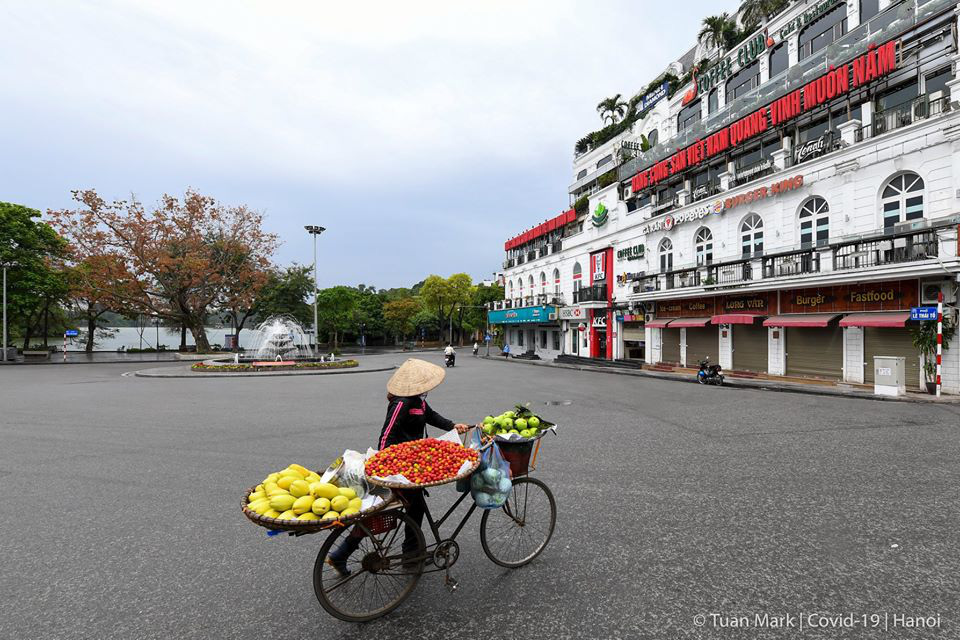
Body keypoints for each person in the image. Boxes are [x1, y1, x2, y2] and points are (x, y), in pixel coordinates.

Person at [326, 358, 469, 576]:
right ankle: (405, 556)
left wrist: (452, 425)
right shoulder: (401, 402)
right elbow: (386, 434)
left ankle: (403, 553)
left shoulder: (418, 400)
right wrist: (384, 466)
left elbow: (431, 416)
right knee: (385, 512)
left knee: (413, 508)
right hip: (397, 467)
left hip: (413, 464)